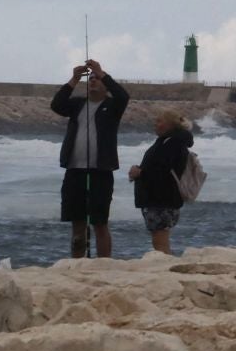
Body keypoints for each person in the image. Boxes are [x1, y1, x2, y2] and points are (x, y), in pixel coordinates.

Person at [51, 59, 130, 258]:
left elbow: (123, 96)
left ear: (105, 84)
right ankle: (77, 262)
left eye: (96, 79)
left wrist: (102, 73)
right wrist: (75, 78)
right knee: (77, 222)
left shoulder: (112, 107)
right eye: (90, 79)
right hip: (74, 171)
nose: (92, 81)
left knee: (99, 223)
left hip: (100, 172)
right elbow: (56, 104)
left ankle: (104, 263)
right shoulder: (77, 105)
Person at [129, 110, 195, 254]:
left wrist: (140, 172)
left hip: (162, 199)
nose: (155, 124)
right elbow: (159, 167)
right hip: (161, 198)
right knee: (159, 237)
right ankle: (166, 265)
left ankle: (166, 267)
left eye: (159, 121)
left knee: (160, 240)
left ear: (171, 124)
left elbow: (162, 170)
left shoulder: (173, 142)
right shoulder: (168, 141)